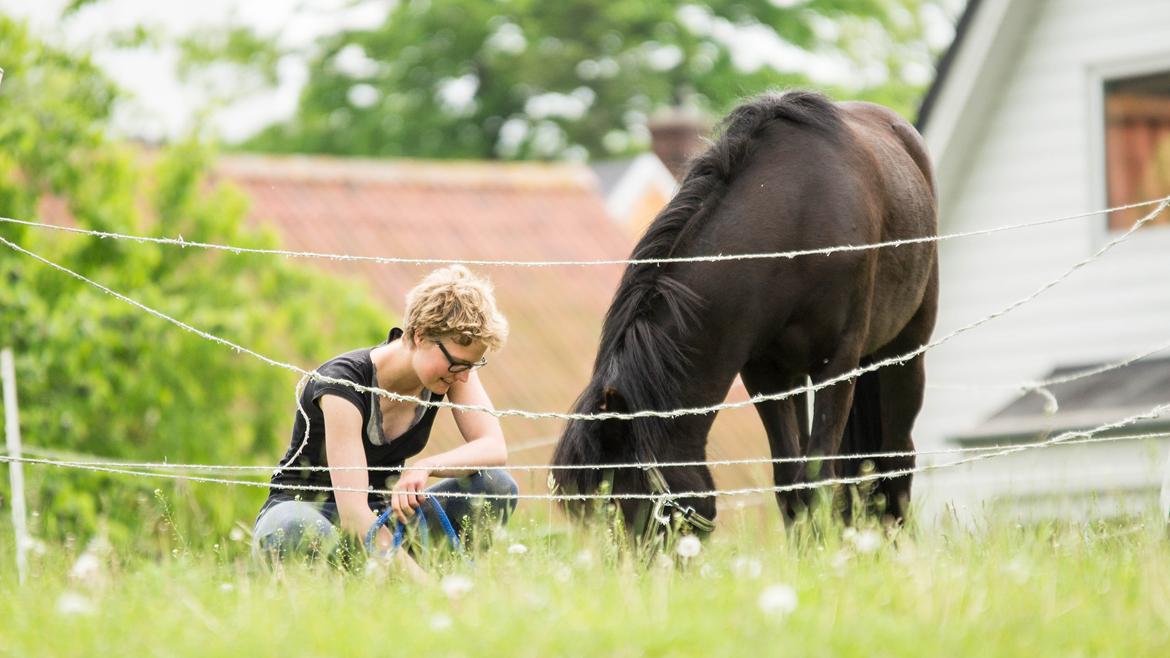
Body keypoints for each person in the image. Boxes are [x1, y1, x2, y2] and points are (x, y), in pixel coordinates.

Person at [252, 265, 518, 566]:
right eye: (458, 364)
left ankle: (437, 574)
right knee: (297, 530)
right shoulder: (342, 384)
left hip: (384, 515)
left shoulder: (450, 371)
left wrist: (427, 466)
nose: (465, 378)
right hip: (309, 511)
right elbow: (353, 514)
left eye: (472, 365)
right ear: (419, 336)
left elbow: (494, 447)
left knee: (496, 486)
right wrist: (423, 588)